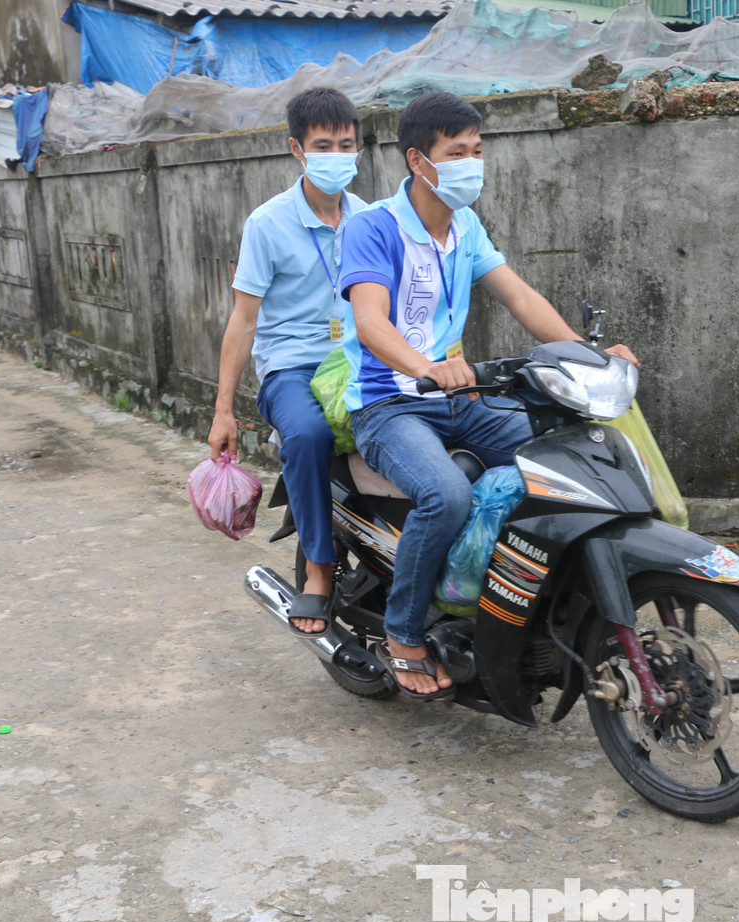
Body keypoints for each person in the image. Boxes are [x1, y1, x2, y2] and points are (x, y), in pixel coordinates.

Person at [338, 91, 638, 699]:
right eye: (458, 152)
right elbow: (371, 321)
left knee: (567, 457)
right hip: (388, 403)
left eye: (478, 150)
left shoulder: (465, 226)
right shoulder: (373, 228)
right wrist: (428, 367)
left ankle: (524, 601)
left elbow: (521, 298)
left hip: (456, 398)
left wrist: (590, 355)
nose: (472, 162)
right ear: (419, 161)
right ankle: (402, 633)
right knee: (445, 496)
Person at [208, 87, 366, 638]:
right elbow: (243, 321)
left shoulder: (372, 219)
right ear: (297, 149)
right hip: (293, 368)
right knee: (305, 436)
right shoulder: (268, 224)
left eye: (347, 144)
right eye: (324, 145)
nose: (337, 155)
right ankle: (319, 572)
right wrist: (223, 411)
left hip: (361, 361)